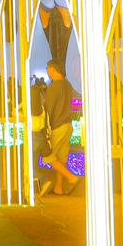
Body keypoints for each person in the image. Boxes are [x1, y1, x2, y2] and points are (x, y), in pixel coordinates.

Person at [43, 60, 80, 195]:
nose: (47, 71)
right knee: (61, 158)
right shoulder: (68, 85)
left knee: (49, 157)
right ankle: (59, 188)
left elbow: (49, 109)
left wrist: (45, 127)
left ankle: (72, 177)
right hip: (68, 125)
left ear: (52, 69)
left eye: (47, 68)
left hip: (57, 126)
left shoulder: (53, 87)